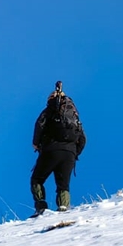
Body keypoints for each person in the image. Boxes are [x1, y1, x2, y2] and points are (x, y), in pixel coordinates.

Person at [31, 81, 87, 217]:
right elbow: (83, 138)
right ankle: (63, 208)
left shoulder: (48, 111)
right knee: (63, 185)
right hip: (70, 153)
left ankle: (41, 207)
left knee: (37, 179)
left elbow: (39, 126)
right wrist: (74, 153)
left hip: (50, 150)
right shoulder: (73, 115)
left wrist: (36, 144)